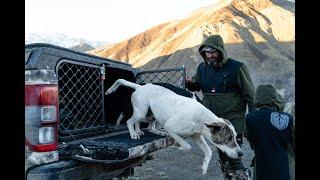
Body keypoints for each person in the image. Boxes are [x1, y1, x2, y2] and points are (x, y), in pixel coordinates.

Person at [186, 34, 255, 179]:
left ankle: (243, 177)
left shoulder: (237, 68)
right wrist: (189, 84)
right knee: (223, 158)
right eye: (207, 53)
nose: (210, 55)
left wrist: (252, 121)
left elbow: (251, 96)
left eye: (213, 52)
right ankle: (230, 177)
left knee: (233, 157)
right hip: (214, 121)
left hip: (233, 120)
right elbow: (197, 85)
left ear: (221, 51)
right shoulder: (202, 69)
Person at [245, 84, 295, 180]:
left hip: (261, 170)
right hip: (283, 171)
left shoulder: (249, 119)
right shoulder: (288, 118)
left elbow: (252, 144)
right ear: (274, 98)